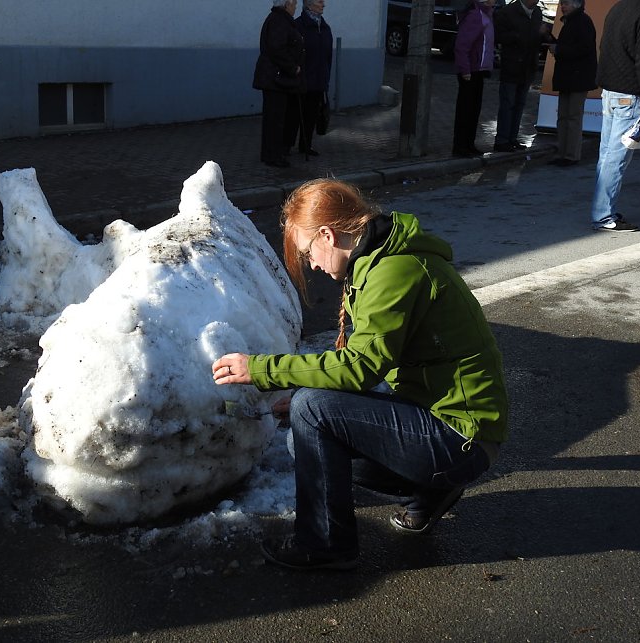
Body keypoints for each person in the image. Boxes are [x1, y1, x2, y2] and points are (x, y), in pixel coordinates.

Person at [212, 179, 509, 571]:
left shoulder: (394, 271)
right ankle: (431, 490)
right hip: (448, 426)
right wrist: (316, 402)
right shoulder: (380, 260)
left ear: (327, 234)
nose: (312, 265)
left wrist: (261, 369)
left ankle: (325, 544)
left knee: (312, 410)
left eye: (308, 253)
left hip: (459, 438)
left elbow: (359, 368)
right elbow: (375, 365)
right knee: (306, 430)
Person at [589, 0, 640, 232]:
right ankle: (603, 215)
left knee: (607, 155)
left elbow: (604, 47)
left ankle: (602, 211)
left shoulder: (617, 7)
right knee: (616, 159)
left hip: (611, 91)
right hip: (629, 94)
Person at [492, 0, 552, 152]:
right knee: (508, 104)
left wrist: (543, 34)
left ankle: (512, 138)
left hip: (528, 66)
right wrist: (519, 35)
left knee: (519, 105)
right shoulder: (508, 12)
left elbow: (537, 38)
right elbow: (498, 36)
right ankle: (502, 140)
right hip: (512, 65)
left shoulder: (537, 12)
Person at [253, 0, 305, 168]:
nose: (295, 7)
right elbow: (277, 49)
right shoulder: (279, 21)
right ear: (286, 4)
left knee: (274, 118)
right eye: (294, 3)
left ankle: (271, 154)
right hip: (276, 79)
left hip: (275, 78)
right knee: (275, 119)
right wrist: (292, 67)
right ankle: (273, 155)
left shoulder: (279, 19)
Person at [546, 0, 597, 167]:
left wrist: (559, 49)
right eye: (562, 3)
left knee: (572, 117)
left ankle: (571, 154)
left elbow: (584, 48)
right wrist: (550, 39)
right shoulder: (572, 21)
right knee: (563, 116)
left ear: (576, 5)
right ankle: (563, 152)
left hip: (577, 77)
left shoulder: (582, 21)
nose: (562, 6)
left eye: (566, 3)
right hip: (569, 76)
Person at [285, 0, 333, 159]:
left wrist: (326, 78)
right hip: (301, 80)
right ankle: (286, 146)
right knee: (293, 116)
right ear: (309, 5)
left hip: (318, 81)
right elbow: (292, 53)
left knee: (311, 116)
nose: (323, 5)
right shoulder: (298, 25)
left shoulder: (325, 28)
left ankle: (306, 145)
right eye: (320, 1)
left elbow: (328, 57)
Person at [452, 0, 497, 158]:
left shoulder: (486, 15)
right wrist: (465, 69)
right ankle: (460, 146)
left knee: (474, 110)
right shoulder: (476, 15)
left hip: (479, 69)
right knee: (466, 110)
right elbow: (462, 45)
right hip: (470, 70)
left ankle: (469, 144)